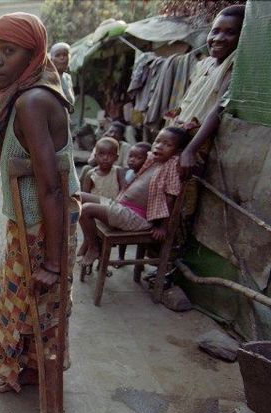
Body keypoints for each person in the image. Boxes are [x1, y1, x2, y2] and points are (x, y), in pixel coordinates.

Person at [0, 13, 80, 393]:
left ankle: (34, 368)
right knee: (26, 299)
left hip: (42, 222)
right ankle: (29, 366)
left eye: (9, 50)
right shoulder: (23, 93)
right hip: (37, 217)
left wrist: (53, 263)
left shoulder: (33, 101)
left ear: (34, 54)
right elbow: (16, 146)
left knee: (36, 300)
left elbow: (51, 186)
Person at [77, 127, 191, 268]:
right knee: (79, 197)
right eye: (157, 141)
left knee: (87, 209)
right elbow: (143, 153)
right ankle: (88, 240)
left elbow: (170, 197)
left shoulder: (172, 165)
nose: (160, 146)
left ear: (178, 151)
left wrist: (163, 226)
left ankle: (94, 248)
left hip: (136, 217)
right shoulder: (152, 160)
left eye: (167, 145)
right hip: (119, 206)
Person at [175, 4, 245, 179]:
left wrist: (191, 149)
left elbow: (219, 108)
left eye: (230, 32)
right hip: (179, 137)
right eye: (215, 31)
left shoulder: (234, 63)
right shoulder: (205, 64)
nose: (218, 38)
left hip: (197, 144)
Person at [49, 42, 75, 109]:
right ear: (51, 60)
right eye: (57, 55)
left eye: (65, 54)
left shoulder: (67, 78)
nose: (62, 58)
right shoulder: (47, 79)